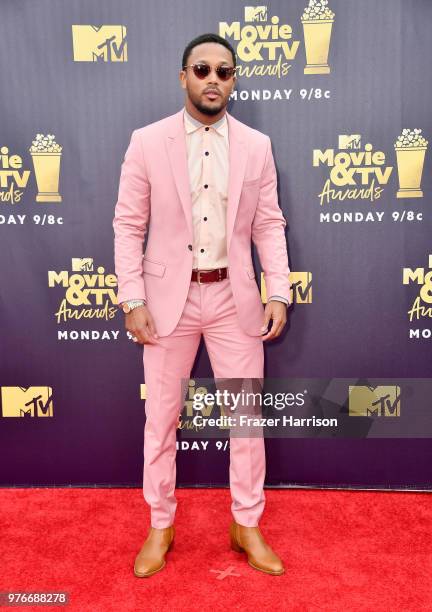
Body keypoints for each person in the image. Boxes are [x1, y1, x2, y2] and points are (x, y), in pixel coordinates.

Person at [113, 32, 291, 578]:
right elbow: (128, 225)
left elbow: (267, 223)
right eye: (202, 69)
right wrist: (132, 298)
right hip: (169, 301)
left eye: (224, 71)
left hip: (233, 297)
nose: (213, 79)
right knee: (160, 419)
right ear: (183, 75)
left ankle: (246, 523)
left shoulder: (256, 145)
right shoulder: (147, 141)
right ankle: (160, 525)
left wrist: (278, 289)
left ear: (234, 79)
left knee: (245, 417)